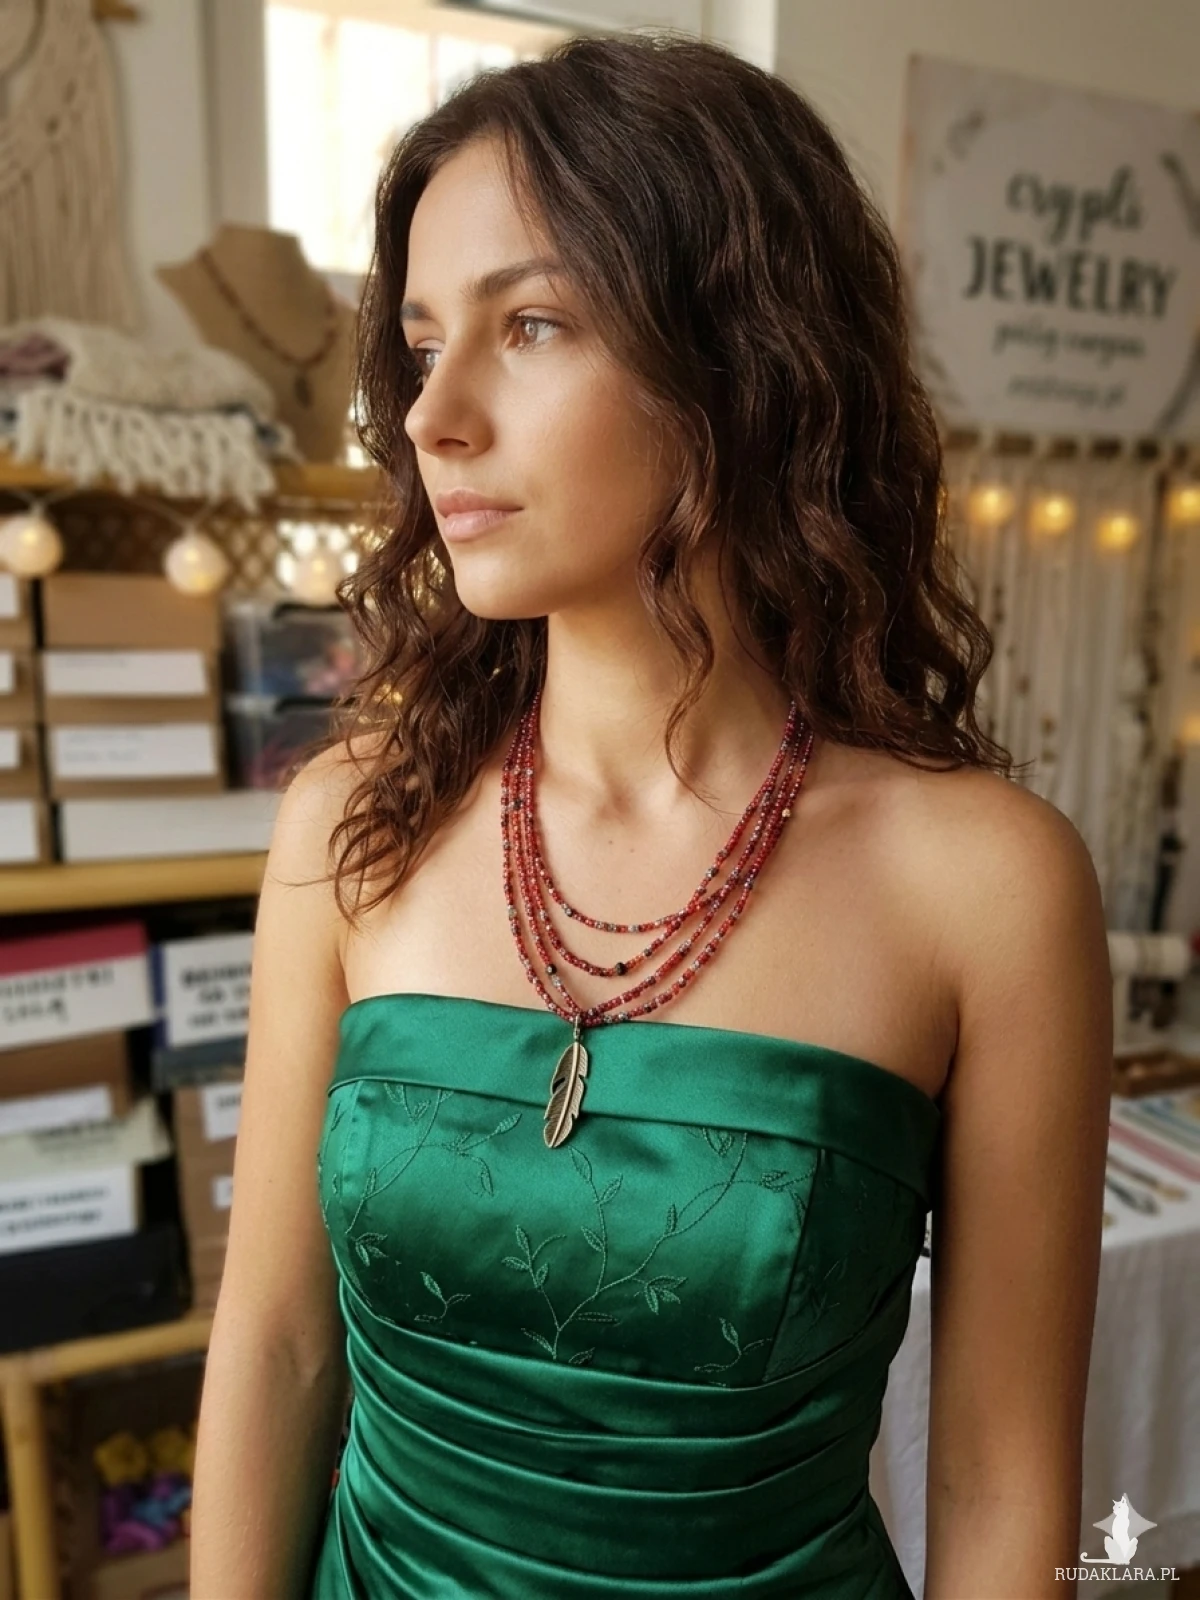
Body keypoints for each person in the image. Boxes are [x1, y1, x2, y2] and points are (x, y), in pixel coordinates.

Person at [188, 31, 1112, 1600]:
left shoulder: (984, 886)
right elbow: (277, 1348)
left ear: (741, 362)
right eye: (423, 344)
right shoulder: (352, 828)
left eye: (531, 324)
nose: (431, 417)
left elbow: (1000, 1475)